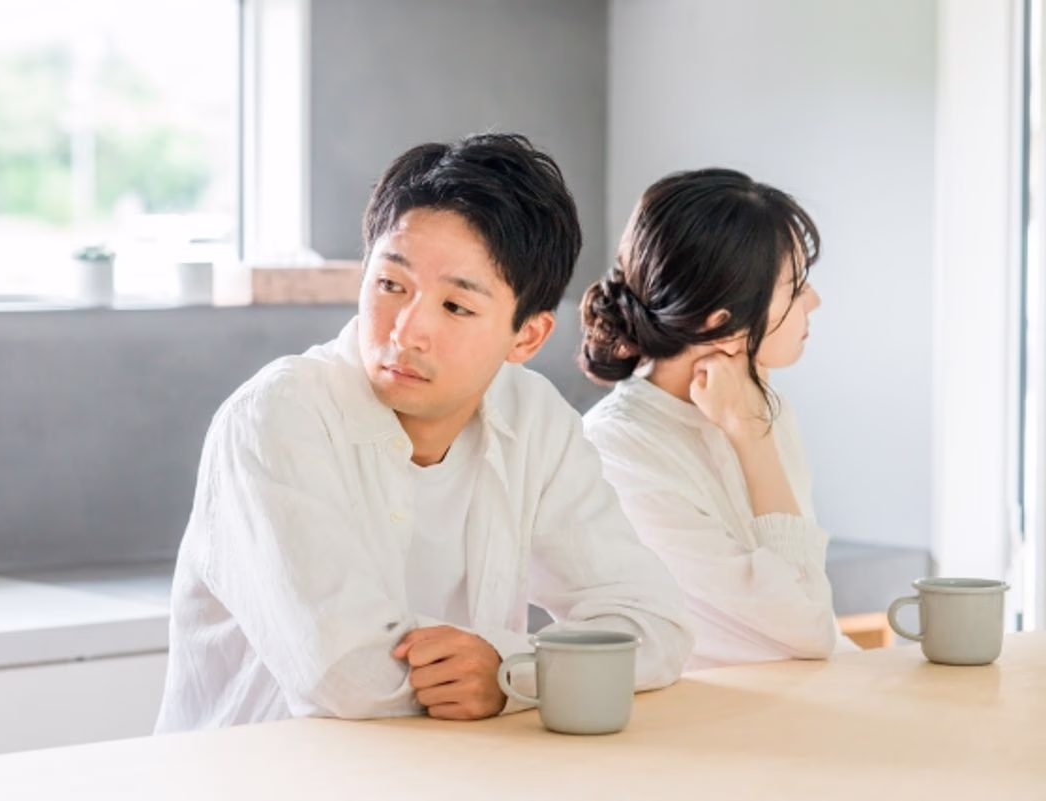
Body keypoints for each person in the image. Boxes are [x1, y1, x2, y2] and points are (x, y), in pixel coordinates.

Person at [154, 133, 691, 731]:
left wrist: (509, 670)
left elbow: (654, 624)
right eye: (391, 285)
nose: (406, 332)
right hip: (263, 772)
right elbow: (348, 677)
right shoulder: (276, 416)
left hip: (447, 770)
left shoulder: (533, 417)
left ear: (528, 336)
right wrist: (527, 672)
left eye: (456, 307)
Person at [580, 168, 854, 670]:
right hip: (719, 709)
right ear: (722, 326)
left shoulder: (766, 407)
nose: (814, 301)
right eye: (795, 287)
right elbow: (806, 626)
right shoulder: (616, 452)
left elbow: (815, 623)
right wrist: (753, 438)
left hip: (809, 691)